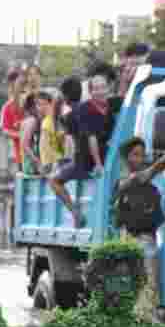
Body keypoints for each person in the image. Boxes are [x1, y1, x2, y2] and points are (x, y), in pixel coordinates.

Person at [114, 136, 165, 308]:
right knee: (146, 289)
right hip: (138, 241)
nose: (140, 159)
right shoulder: (128, 181)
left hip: (145, 239)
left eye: (142, 155)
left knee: (141, 289)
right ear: (126, 159)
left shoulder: (140, 181)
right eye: (135, 155)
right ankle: (144, 326)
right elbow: (160, 165)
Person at [50, 74, 112, 228]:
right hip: (103, 157)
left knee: (54, 180)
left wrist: (55, 107)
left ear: (64, 97)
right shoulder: (99, 107)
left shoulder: (71, 115)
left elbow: (68, 142)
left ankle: (75, 213)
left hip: (84, 162)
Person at [0, 70, 25, 171]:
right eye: (20, 82)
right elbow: (4, 130)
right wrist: (20, 135)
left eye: (24, 82)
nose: (23, 85)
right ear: (11, 85)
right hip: (22, 157)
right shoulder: (7, 107)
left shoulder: (32, 102)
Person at [37, 90, 66, 174]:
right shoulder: (58, 120)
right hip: (58, 163)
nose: (37, 108)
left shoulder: (46, 123)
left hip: (53, 165)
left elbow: (44, 149)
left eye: (39, 104)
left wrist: (46, 166)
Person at [18, 92, 43, 175]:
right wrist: (37, 162)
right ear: (32, 106)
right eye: (38, 105)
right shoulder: (32, 121)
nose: (40, 108)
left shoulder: (26, 121)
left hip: (27, 164)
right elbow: (25, 145)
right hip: (31, 166)